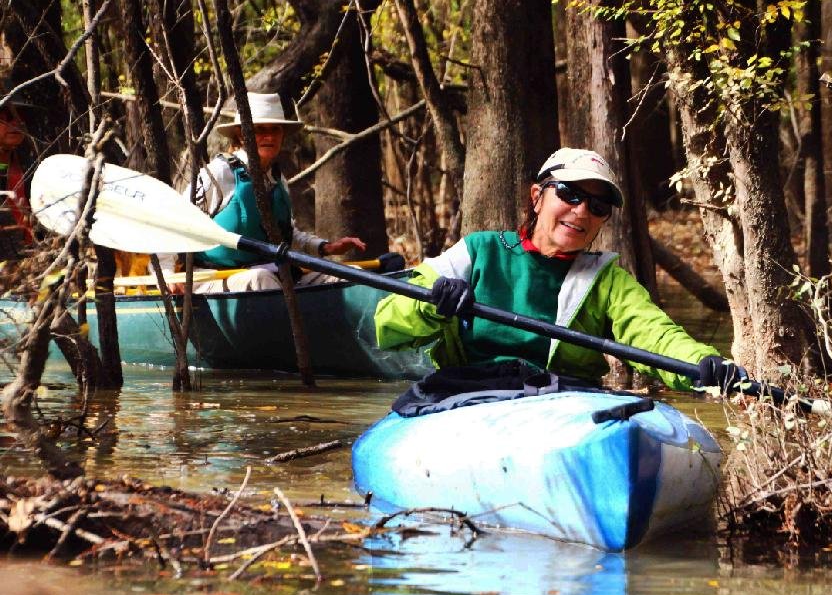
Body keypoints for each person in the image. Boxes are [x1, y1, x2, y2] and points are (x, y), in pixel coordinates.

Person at [374, 147, 743, 392]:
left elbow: (654, 335)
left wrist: (703, 365)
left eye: (598, 206)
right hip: (471, 395)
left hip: (564, 402)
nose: (582, 211)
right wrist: (431, 302)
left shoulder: (606, 279)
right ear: (538, 197)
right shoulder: (477, 251)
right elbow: (388, 322)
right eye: (569, 193)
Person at [157, 92, 366, 293]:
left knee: (351, 274)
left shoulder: (277, 179)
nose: (269, 136)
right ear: (241, 133)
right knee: (259, 279)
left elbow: (286, 236)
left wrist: (325, 248)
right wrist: (167, 274)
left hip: (272, 277)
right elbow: (174, 222)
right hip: (216, 277)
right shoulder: (219, 173)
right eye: (259, 129)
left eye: (275, 129)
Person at [0, 86, 37, 261]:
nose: (16, 123)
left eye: (21, 117)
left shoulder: (28, 163)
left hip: (27, 260)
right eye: (7, 117)